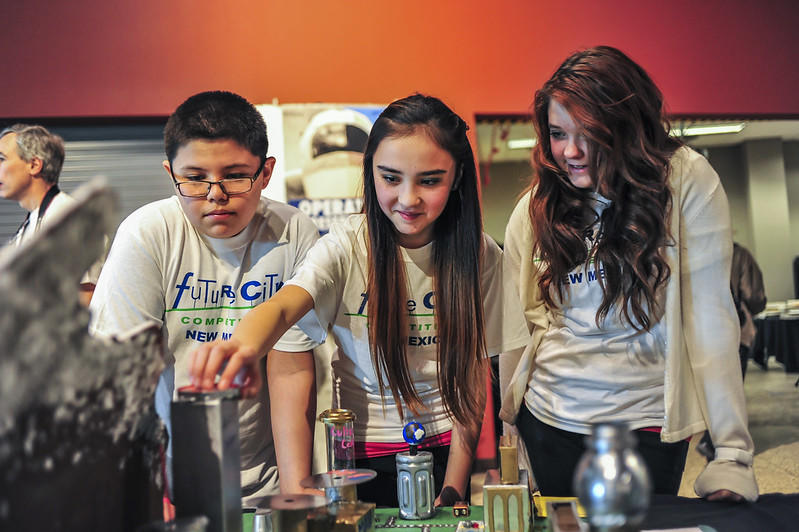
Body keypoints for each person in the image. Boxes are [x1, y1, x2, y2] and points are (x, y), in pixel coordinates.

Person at [190, 94, 531, 507]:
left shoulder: (480, 256)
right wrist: (240, 346)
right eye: (390, 178)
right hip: (358, 456)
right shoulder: (346, 247)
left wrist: (454, 484)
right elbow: (284, 305)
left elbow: (474, 375)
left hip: (443, 449)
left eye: (429, 180)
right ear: (369, 172)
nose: (407, 199)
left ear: (457, 177)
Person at [499, 46, 758, 502]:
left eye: (590, 134)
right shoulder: (536, 205)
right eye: (558, 133)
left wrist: (732, 453)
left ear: (626, 127)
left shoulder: (684, 181)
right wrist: (512, 423)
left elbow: (712, 319)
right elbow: (517, 329)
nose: (571, 151)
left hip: (645, 423)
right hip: (549, 420)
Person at [89, 91, 322, 504]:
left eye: (235, 175)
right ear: (170, 172)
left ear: (266, 172)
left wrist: (294, 495)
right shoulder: (147, 235)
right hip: (173, 482)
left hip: (266, 477)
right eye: (194, 178)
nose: (215, 194)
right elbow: (122, 379)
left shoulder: (293, 230)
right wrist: (147, 495)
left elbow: (290, 364)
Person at [0, 124, 102, 305]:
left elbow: (87, 298)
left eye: (2, 159)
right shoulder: (32, 222)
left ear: (33, 165)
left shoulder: (72, 219)